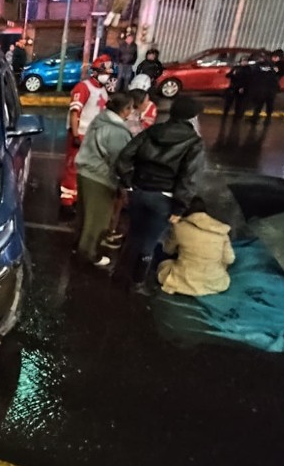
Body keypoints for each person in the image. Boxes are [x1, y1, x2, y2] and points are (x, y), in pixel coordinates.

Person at [114, 95, 206, 294]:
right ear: (192, 117)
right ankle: (137, 283)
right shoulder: (194, 143)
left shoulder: (152, 132)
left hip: (139, 191)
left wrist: (128, 183)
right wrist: (180, 207)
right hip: (164, 198)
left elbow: (124, 157)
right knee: (150, 240)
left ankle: (118, 273)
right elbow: (189, 178)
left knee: (135, 233)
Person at [74, 92, 135, 267]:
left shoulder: (100, 120)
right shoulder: (117, 131)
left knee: (85, 214)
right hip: (100, 177)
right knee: (98, 219)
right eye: (130, 108)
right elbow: (119, 161)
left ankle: (78, 245)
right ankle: (88, 253)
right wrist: (125, 186)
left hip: (85, 171)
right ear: (125, 110)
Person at [61, 54, 113, 208]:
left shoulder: (103, 91)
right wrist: (76, 135)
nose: (106, 76)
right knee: (73, 167)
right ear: (95, 72)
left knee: (86, 169)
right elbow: (74, 112)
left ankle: (76, 196)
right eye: (104, 73)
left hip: (94, 135)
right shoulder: (83, 87)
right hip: (81, 134)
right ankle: (67, 201)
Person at [156, 197, 235, 296]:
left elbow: (168, 250)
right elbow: (229, 260)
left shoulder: (179, 227)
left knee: (161, 259)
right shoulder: (221, 231)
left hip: (183, 279)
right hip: (215, 282)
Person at [247, 51, 280, 125]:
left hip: (267, 88)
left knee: (265, 104)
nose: (260, 58)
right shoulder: (270, 65)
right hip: (265, 88)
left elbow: (254, 74)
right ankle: (257, 118)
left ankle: (262, 119)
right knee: (261, 104)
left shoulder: (263, 66)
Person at [224, 55, 252, 120]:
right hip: (233, 87)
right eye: (243, 61)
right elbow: (228, 75)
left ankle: (237, 116)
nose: (244, 62)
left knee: (238, 103)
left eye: (245, 61)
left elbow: (248, 80)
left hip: (241, 89)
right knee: (228, 102)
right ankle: (225, 114)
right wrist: (233, 74)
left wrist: (243, 87)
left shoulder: (248, 69)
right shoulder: (236, 68)